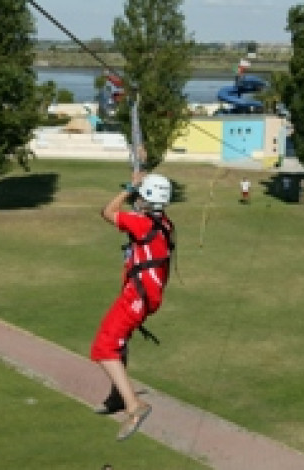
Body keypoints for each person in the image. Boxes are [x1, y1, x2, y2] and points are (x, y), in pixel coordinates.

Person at [91, 170, 175, 441]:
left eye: (140, 196)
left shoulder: (142, 224)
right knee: (118, 343)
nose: (136, 200)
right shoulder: (164, 223)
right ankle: (118, 396)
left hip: (136, 297)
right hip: (148, 296)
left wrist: (129, 187)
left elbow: (107, 212)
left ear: (147, 197)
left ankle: (134, 406)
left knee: (104, 348)